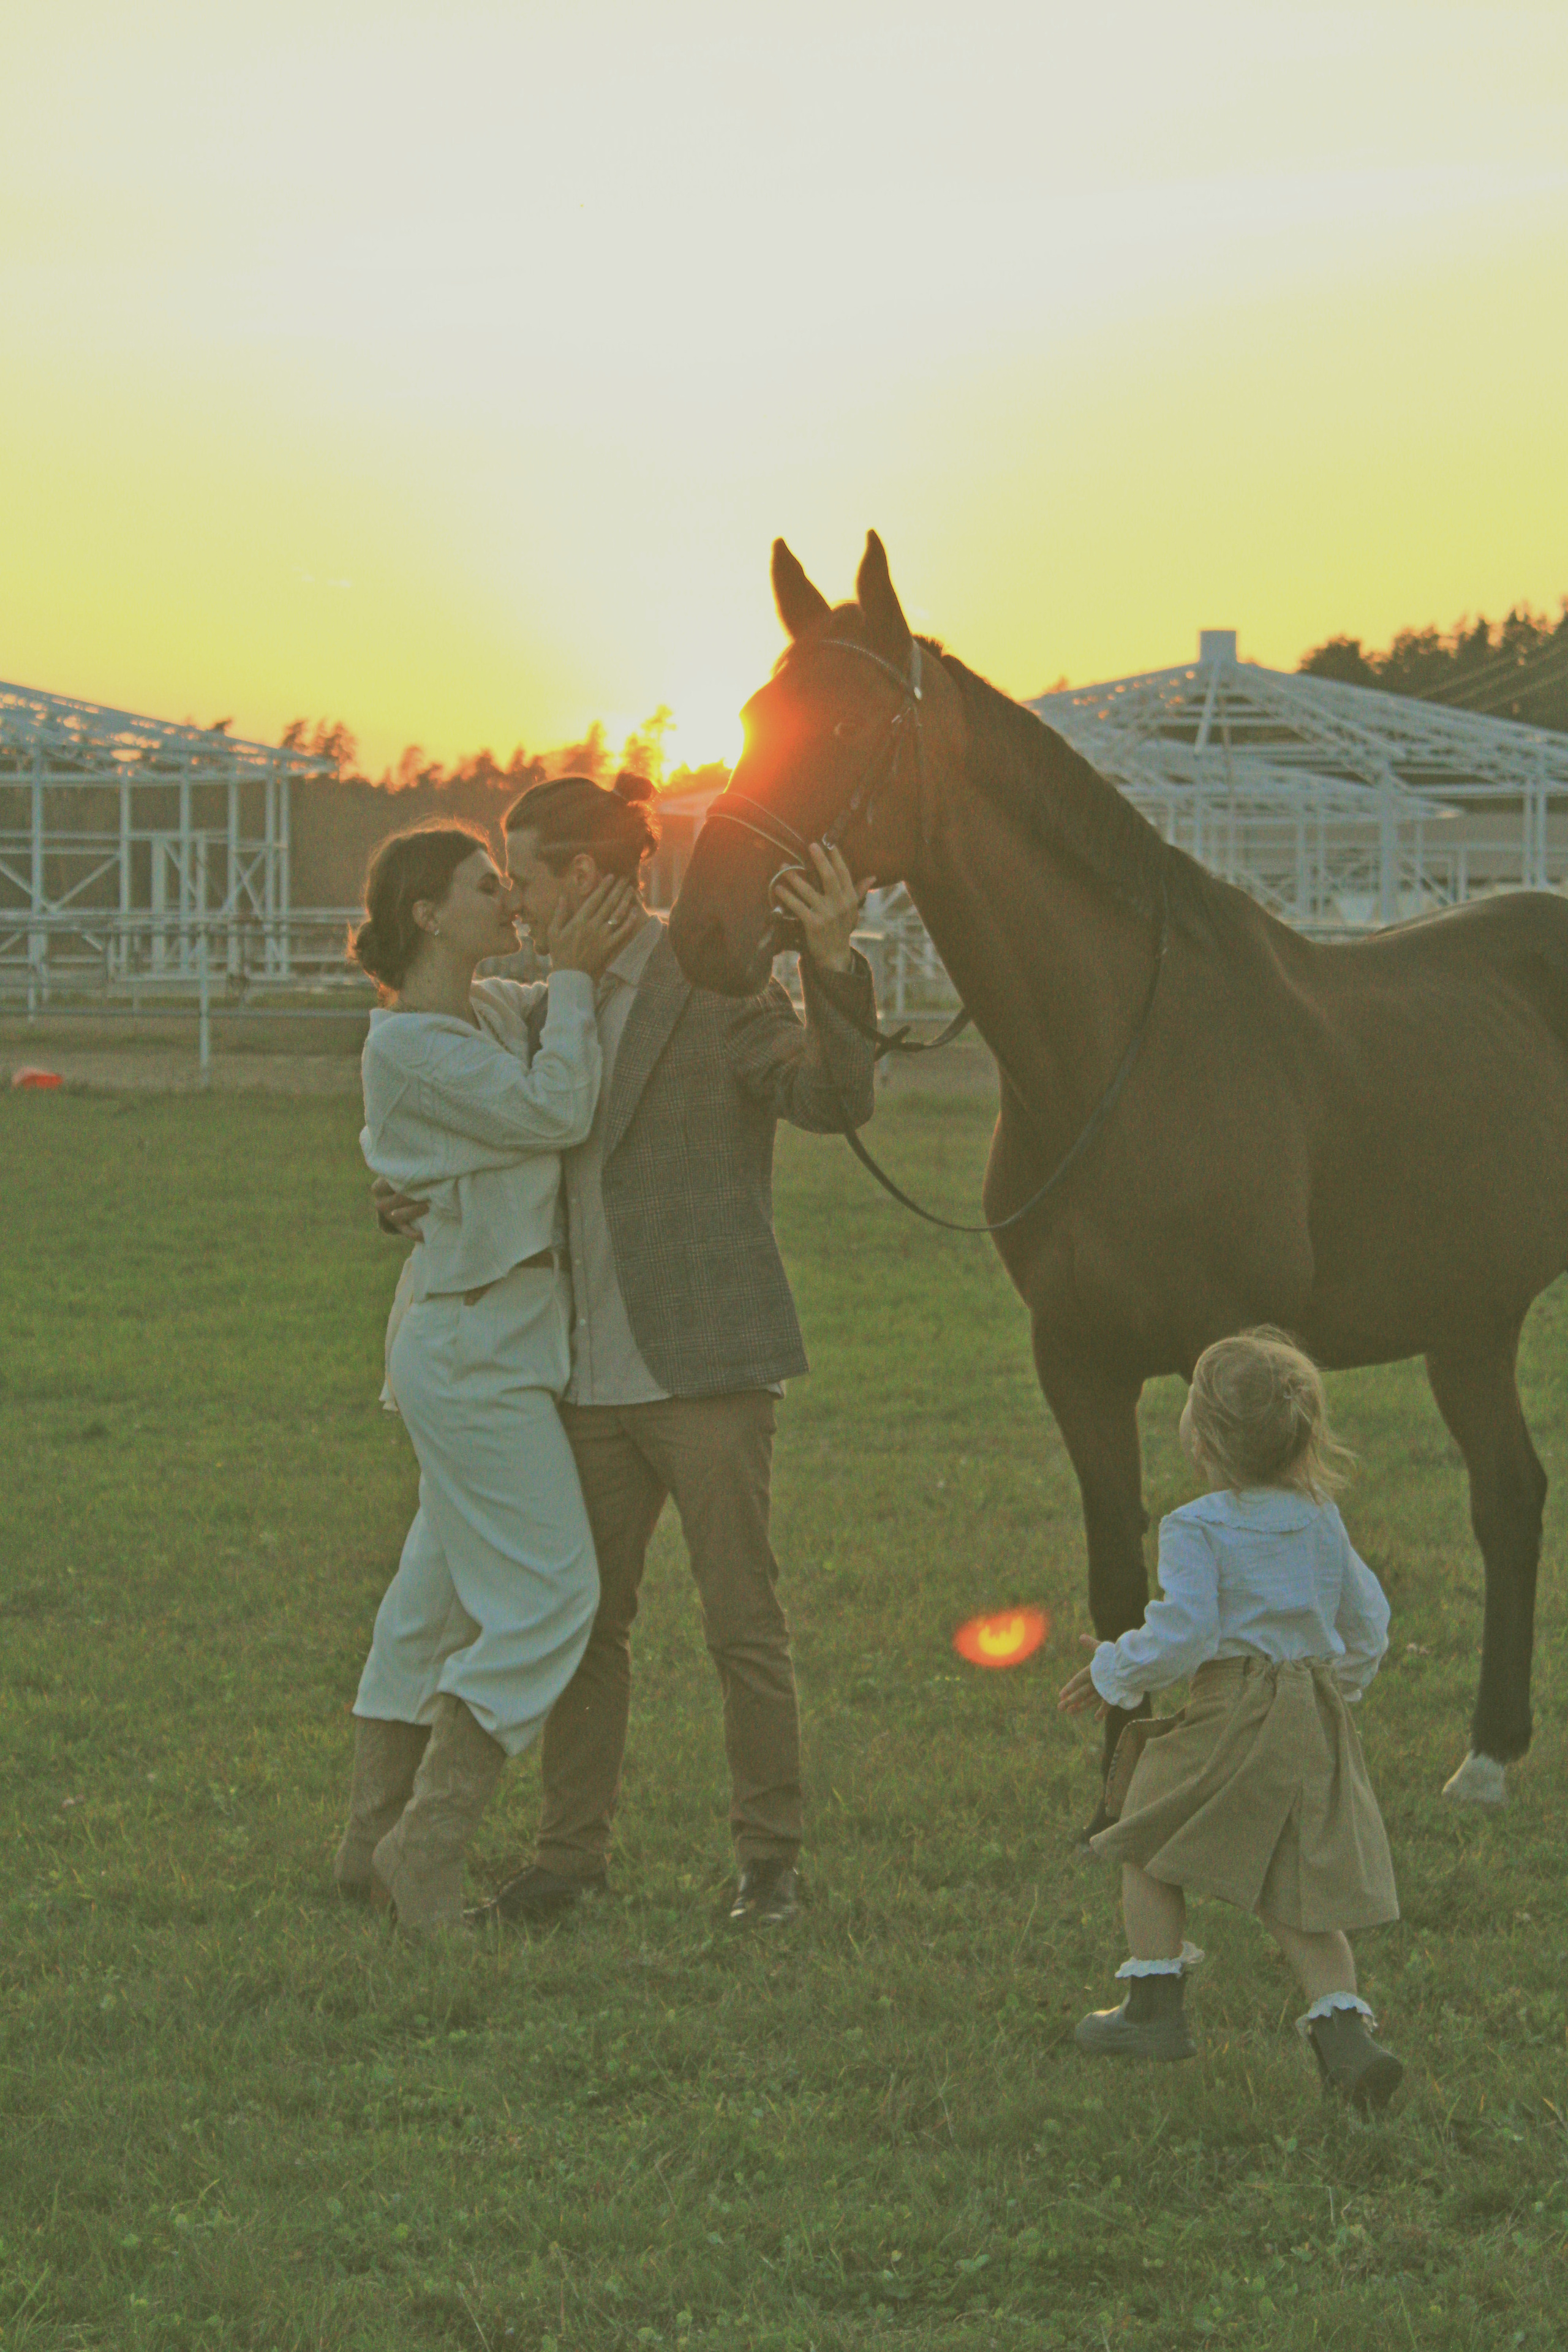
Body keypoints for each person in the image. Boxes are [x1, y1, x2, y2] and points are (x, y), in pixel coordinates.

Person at [374, 770, 878, 1928]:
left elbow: (831, 1100)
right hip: (572, 1370)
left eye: (526, 879)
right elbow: (458, 1123)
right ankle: (566, 1858)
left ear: (587, 876)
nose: (514, 904)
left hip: (704, 1364)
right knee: (587, 1625)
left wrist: (833, 964)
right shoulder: (524, 1003)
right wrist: (401, 1194)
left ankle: (769, 1864)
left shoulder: (716, 979)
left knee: (741, 1622)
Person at [333, 821, 643, 1933]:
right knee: (554, 1594)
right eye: (484, 887)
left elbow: (548, 1048)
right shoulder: (408, 1044)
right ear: (425, 912)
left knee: (438, 1596)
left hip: (493, 1334)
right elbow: (557, 1110)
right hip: (472, 1349)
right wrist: (567, 973)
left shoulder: (489, 1012)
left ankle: (368, 1836)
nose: (508, 900)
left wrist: (569, 965)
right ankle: (426, 1846)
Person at [1057, 1327, 1403, 2111]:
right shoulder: (1321, 1517)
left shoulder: (1197, 1526)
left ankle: (1152, 2008)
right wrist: (1329, 1692)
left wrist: (1113, 1668)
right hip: (1309, 1713)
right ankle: (1346, 2041)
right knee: (1299, 1885)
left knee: (1146, 1836)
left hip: (1229, 1707)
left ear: (1203, 1439)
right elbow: (1369, 1623)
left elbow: (1184, 1635)